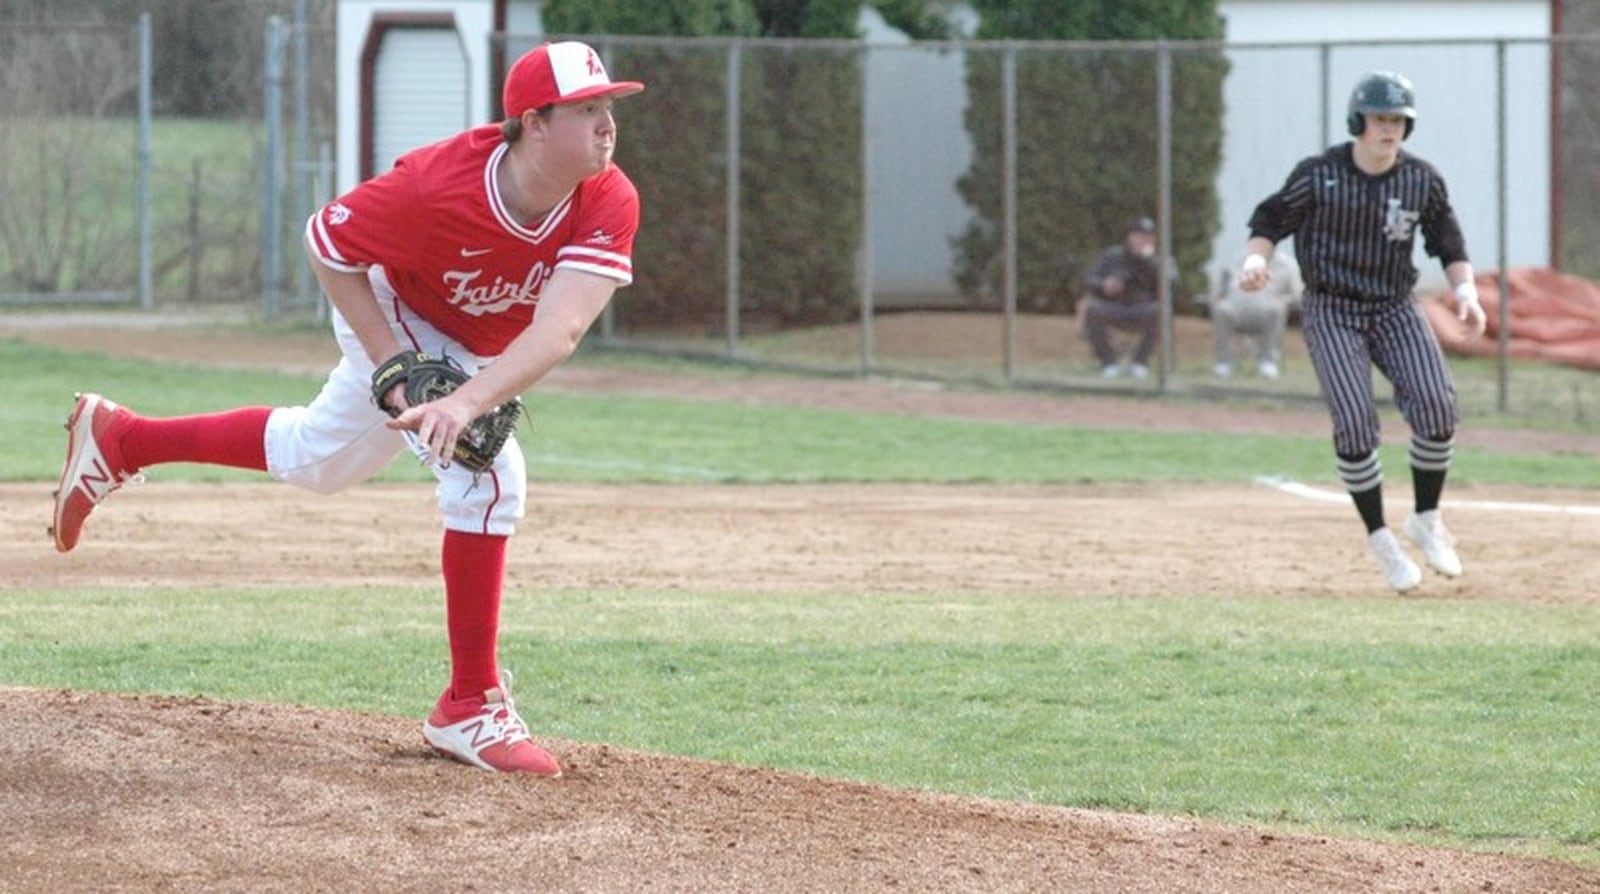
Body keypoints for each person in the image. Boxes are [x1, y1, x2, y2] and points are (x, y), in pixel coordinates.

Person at [49, 41, 646, 776]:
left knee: (317, 460)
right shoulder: (435, 188)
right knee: (489, 476)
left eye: (609, 107)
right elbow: (327, 243)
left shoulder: (608, 197)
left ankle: (122, 439)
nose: (607, 124)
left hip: (475, 352)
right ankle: (469, 705)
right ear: (533, 123)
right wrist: (394, 363)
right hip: (396, 312)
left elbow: (561, 327)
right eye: (588, 110)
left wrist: (465, 398)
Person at [1237, 70, 1486, 593]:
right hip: (1332, 308)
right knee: (1354, 423)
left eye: (1397, 119)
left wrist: (1465, 293)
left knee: (1438, 409)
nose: (1388, 129)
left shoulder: (1421, 180)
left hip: (1395, 306)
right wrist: (1255, 261)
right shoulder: (1319, 175)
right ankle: (1381, 540)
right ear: (1359, 121)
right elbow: (1270, 218)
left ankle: (1425, 518)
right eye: (1379, 118)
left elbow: (1449, 243)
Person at [1081, 216, 1161, 378]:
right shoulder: (1112, 255)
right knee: (1092, 309)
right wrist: (1105, 285)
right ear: (1130, 237)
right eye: (1139, 236)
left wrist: (1151, 263)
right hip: (1113, 307)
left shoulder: (1158, 261)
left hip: (1141, 309)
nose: (1143, 240)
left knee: (1157, 311)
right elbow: (1090, 279)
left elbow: (1169, 287)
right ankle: (1109, 363)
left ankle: (1140, 363)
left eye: (1148, 237)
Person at [1210, 246, 1304, 379]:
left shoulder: (1287, 265)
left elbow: (1297, 295)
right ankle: (1223, 362)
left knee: (1276, 309)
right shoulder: (1239, 259)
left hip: (1268, 312)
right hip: (1237, 310)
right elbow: (1223, 288)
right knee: (1222, 309)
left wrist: (1281, 301)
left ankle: (1268, 361)